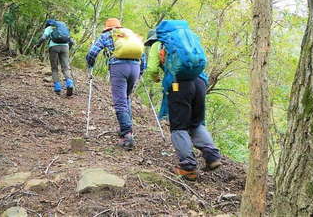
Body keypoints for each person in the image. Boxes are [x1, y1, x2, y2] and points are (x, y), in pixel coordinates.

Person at [144, 22, 221, 181]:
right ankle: (212, 156)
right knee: (196, 123)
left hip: (179, 85)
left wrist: (156, 78)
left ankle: (188, 168)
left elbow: (151, 69)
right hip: (199, 83)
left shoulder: (159, 43)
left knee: (179, 126)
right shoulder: (190, 38)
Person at [86, 18, 146, 150]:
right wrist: (141, 71)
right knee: (126, 98)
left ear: (108, 28)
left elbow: (92, 53)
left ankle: (127, 134)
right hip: (135, 67)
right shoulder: (129, 34)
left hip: (119, 67)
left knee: (119, 102)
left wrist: (90, 65)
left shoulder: (107, 35)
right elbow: (143, 54)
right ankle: (127, 128)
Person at [34, 19, 75, 96]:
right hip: (65, 47)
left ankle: (57, 87)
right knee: (65, 68)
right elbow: (71, 41)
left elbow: (43, 38)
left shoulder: (50, 28)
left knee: (54, 68)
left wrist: (37, 45)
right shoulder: (64, 28)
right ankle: (69, 84)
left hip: (53, 47)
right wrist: (67, 50)